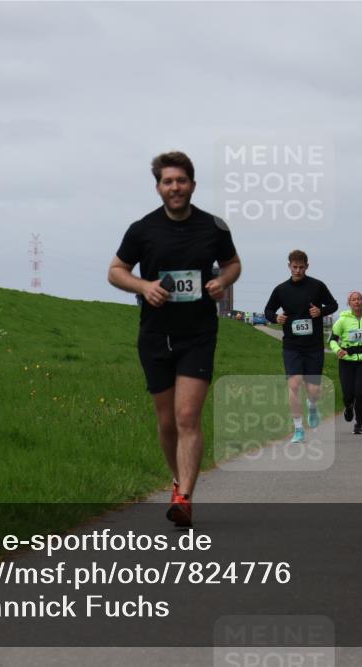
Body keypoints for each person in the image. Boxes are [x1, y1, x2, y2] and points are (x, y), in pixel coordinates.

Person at [108, 151, 241, 528]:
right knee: (167, 421)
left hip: (198, 333)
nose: (175, 187)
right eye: (168, 182)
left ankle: (184, 497)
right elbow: (116, 271)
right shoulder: (142, 230)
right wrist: (143, 286)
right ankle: (178, 480)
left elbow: (233, 264)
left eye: (181, 181)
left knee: (187, 416)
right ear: (158, 188)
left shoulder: (213, 227)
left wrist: (222, 281)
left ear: (192, 185)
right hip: (155, 334)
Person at [263, 250, 338, 444]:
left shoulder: (317, 286)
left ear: (307, 266)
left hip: (313, 346)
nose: (298, 270)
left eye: (301, 267)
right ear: (289, 266)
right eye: (294, 267)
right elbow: (268, 310)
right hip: (292, 345)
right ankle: (298, 429)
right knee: (294, 384)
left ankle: (312, 405)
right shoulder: (281, 289)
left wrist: (320, 311)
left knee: (313, 390)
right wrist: (275, 317)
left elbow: (334, 305)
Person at [330, 292, 362, 434]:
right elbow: (332, 339)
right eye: (354, 299)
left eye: (359, 299)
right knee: (348, 394)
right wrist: (337, 350)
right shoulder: (342, 320)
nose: (357, 302)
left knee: (360, 393)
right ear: (349, 303)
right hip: (346, 361)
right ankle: (348, 406)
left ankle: (359, 424)